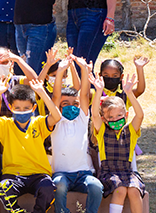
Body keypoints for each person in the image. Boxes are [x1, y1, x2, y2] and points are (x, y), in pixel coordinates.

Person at [0, 79, 61, 213]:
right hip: (13, 174)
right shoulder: (5, 124)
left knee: (47, 189)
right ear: (11, 108)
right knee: (4, 190)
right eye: (17, 108)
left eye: (26, 108)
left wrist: (41, 92)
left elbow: (56, 117)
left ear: (33, 108)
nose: (21, 111)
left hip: (39, 174)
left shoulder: (39, 123)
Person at [50, 54, 103, 213]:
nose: (71, 107)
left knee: (95, 186)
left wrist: (84, 70)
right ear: (59, 106)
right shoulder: (56, 120)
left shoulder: (81, 118)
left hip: (83, 173)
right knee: (58, 184)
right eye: (65, 104)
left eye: (75, 104)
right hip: (61, 173)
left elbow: (85, 94)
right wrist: (60, 72)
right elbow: (55, 96)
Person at [90, 73, 145, 213]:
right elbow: (94, 115)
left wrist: (129, 93)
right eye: (111, 117)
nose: (115, 119)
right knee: (120, 190)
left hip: (127, 171)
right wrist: (98, 91)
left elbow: (140, 115)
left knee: (134, 191)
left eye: (119, 116)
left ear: (126, 115)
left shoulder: (130, 131)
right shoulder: (102, 131)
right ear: (104, 119)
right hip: (109, 172)